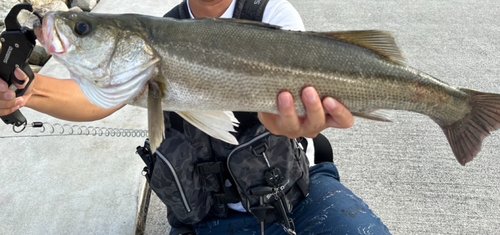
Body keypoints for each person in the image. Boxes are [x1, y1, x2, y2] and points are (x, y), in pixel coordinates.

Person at [0, 0, 390, 234]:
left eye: (82, 29)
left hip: (293, 196)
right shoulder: (158, 31)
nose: (76, 33)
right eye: (83, 30)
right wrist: (26, 92)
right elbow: (96, 100)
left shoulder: (272, 13)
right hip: (205, 217)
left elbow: (278, 110)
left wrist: (287, 121)